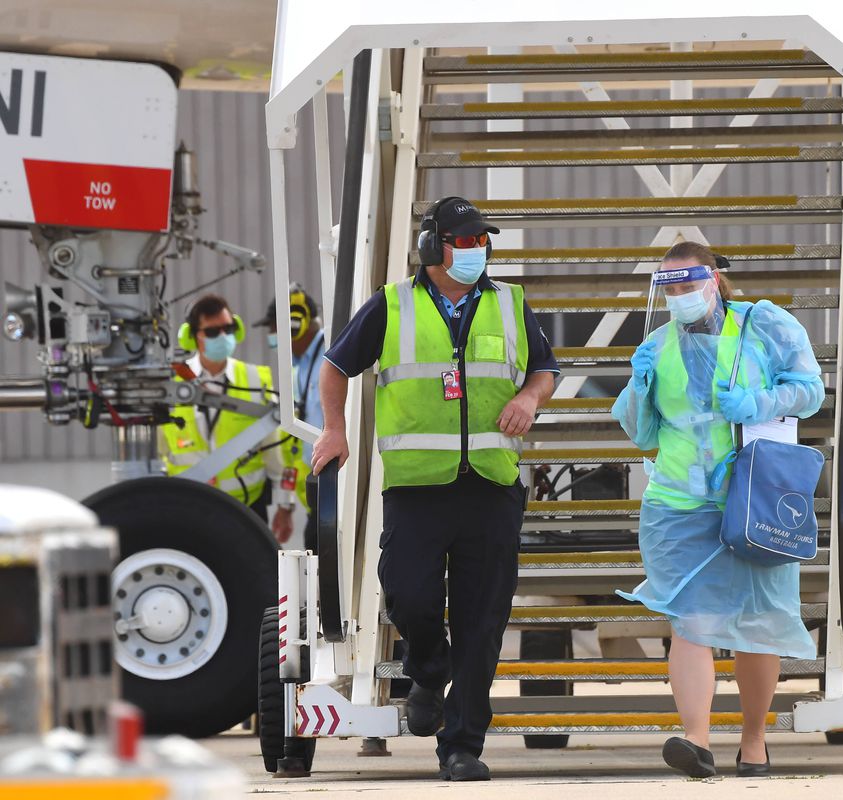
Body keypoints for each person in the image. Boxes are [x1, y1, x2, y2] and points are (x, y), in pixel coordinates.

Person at [311, 196, 559, 781]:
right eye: (466, 241)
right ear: (432, 247)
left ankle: (462, 747)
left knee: (482, 622)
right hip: (417, 488)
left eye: (483, 241)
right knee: (408, 598)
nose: (479, 250)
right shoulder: (392, 304)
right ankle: (427, 668)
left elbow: (545, 369)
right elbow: (335, 366)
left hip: (491, 487)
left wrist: (530, 397)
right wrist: (335, 429)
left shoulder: (509, 302)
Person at [611, 241, 825, 777]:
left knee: (759, 622)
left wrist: (759, 403)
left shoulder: (763, 326)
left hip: (755, 497)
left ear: (714, 280)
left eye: (689, 283)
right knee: (690, 619)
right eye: (670, 287)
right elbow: (643, 434)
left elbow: (809, 390)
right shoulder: (658, 345)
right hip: (679, 503)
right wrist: (638, 386)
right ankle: (696, 741)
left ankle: (754, 742)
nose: (680, 295)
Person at [160, 293, 295, 541]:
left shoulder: (255, 379)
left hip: (247, 509)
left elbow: (276, 451)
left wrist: (285, 506)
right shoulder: (172, 384)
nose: (223, 336)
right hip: (188, 510)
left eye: (228, 328)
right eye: (212, 332)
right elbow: (158, 454)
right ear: (192, 336)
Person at [255, 282, 326, 547]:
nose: (271, 336)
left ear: (295, 324)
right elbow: (294, 446)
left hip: (338, 494)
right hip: (317, 497)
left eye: (274, 328)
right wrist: (286, 506)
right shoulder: (299, 370)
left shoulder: (332, 355)